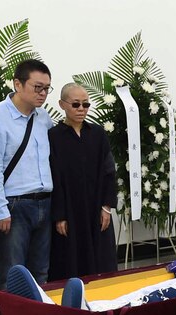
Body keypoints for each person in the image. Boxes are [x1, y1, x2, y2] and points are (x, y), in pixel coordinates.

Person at [0, 59, 54, 290]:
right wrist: (0, 209)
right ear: (18, 84)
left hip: (45, 203)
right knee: (13, 274)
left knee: (41, 273)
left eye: (47, 88)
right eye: (37, 87)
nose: (43, 94)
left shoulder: (43, 119)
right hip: (15, 206)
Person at [48, 83, 117, 281]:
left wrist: (106, 206)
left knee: (101, 259)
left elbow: (109, 171)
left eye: (86, 105)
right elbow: (54, 176)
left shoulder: (97, 133)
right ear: (62, 104)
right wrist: (59, 215)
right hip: (70, 208)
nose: (81, 109)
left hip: (96, 207)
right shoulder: (54, 136)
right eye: (76, 104)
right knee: (70, 258)